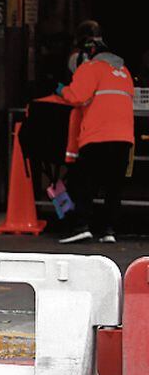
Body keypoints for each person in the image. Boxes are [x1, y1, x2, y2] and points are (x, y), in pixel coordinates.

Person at [56, 36, 135, 244]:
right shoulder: (124, 72)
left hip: (97, 135)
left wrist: (59, 88)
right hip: (124, 136)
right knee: (114, 186)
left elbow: (76, 96)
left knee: (85, 183)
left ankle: (81, 226)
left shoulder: (91, 68)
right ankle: (109, 230)